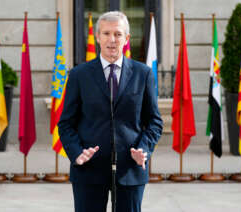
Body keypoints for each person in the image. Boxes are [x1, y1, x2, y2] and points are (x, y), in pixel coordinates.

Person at [58, 11, 163, 212]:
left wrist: (144, 149)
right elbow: (66, 124)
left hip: (130, 170)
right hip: (88, 170)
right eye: (106, 33)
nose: (112, 40)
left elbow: (154, 122)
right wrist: (76, 152)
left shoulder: (143, 74)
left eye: (118, 34)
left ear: (127, 39)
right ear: (97, 37)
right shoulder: (79, 75)